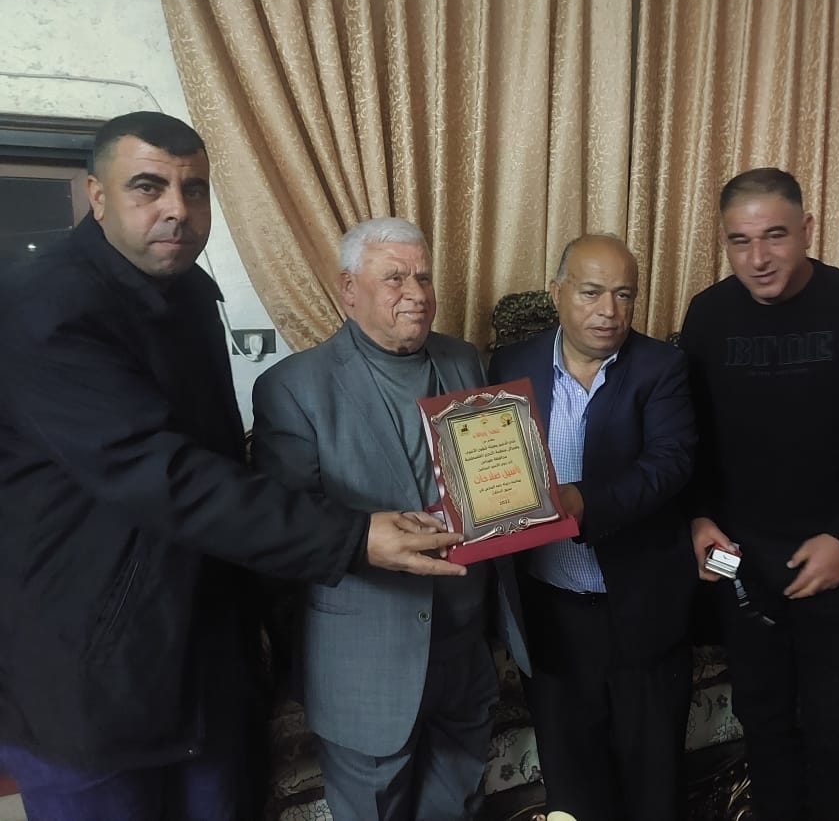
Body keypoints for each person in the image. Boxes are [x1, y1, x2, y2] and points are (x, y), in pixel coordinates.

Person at [0, 113, 463, 821]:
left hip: (205, 649)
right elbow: (163, 474)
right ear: (96, 196)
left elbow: (218, 459)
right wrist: (351, 535)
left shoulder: (188, 292)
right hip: (90, 666)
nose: (177, 210)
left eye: (194, 190)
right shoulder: (47, 307)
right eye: (148, 187)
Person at [251, 217, 530, 821]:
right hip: (365, 661)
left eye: (423, 277)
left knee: (457, 807)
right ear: (349, 289)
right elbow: (290, 532)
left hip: (463, 650)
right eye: (395, 278)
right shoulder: (293, 387)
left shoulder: (464, 359)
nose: (416, 293)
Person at [680, 168, 839, 820]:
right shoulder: (707, 313)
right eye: (740, 240)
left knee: (835, 729)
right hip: (741, 562)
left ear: (808, 229)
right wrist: (698, 517)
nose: (758, 257)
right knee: (762, 723)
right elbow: (688, 432)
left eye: (775, 236)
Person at [488, 234, 698, 821]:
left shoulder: (662, 367)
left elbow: (670, 464)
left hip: (639, 608)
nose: (609, 311)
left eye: (624, 295)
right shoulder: (510, 364)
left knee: (651, 781)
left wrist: (583, 501)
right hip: (551, 611)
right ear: (557, 293)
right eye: (591, 292)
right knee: (573, 784)